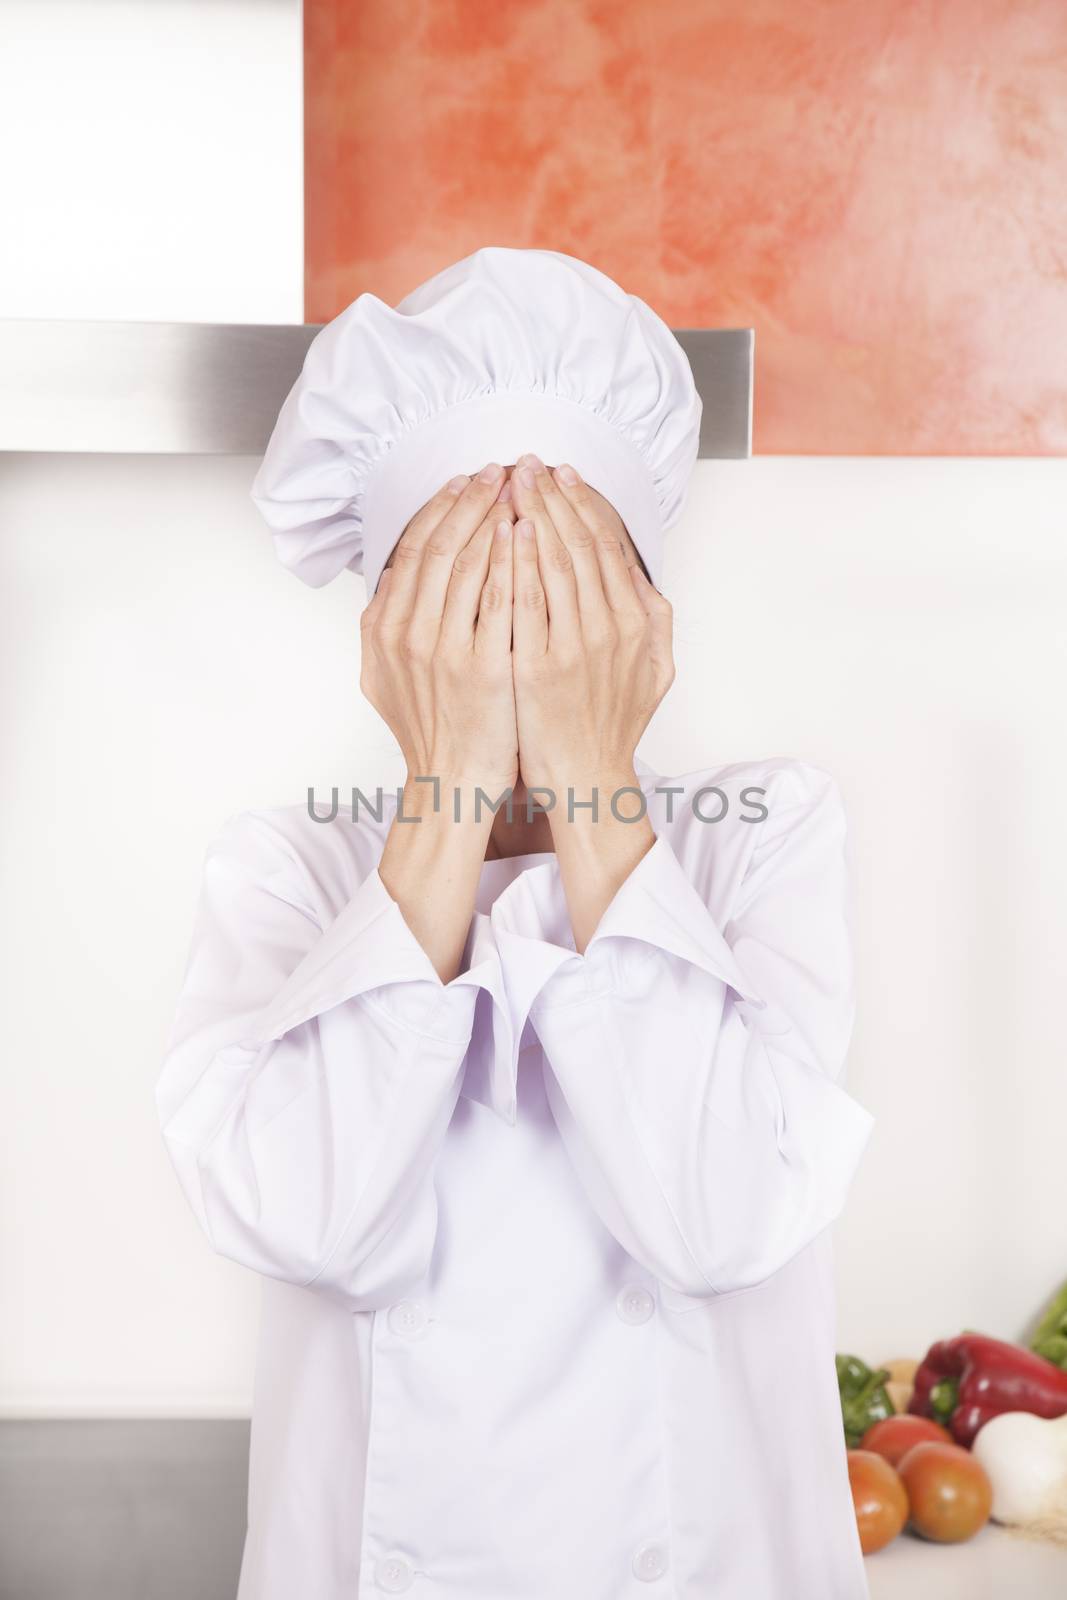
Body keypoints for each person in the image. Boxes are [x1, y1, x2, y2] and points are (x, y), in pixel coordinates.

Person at [156, 247, 877, 1600]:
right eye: (465, 593)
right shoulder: (292, 871)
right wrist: (446, 787)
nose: (517, 629)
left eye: (563, 593)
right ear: (388, 629)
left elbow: (720, 1216)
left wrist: (596, 775)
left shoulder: (765, 837)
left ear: (644, 617)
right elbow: (312, 1213)